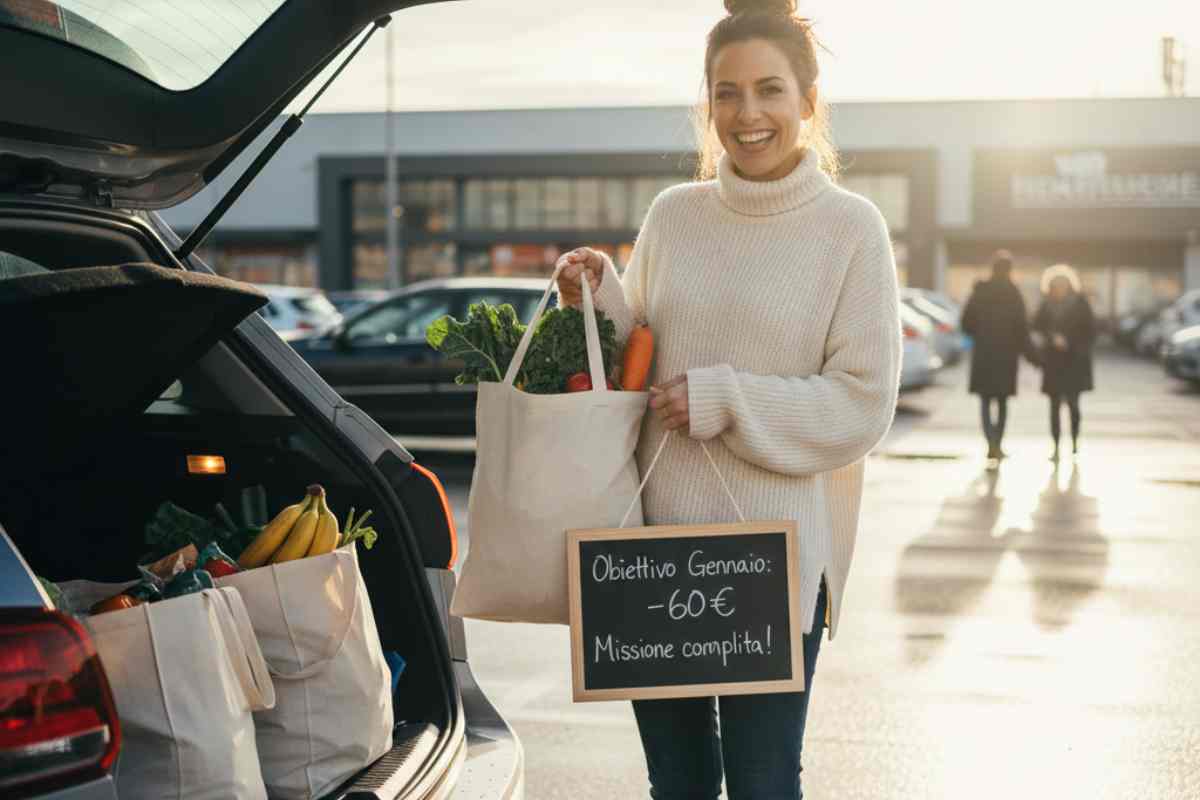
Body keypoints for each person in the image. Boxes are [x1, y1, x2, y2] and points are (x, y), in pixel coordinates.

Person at [556, 2, 901, 796]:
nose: (748, 115)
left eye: (769, 91)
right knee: (675, 785)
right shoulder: (675, 215)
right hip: (650, 562)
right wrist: (595, 292)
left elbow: (862, 404)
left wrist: (726, 399)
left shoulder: (851, 229)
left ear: (808, 102)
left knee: (762, 782)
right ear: (706, 103)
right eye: (726, 93)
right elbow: (632, 353)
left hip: (771, 568)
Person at [960, 250, 1033, 463]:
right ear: (1010, 270)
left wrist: (981, 335)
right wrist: (1030, 354)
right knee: (1001, 401)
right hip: (1006, 355)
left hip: (984, 353)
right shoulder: (1014, 293)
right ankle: (997, 444)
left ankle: (990, 442)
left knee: (985, 400)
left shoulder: (979, 291)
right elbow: (1023, 328)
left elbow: (966, 322)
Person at [1032, 264, 1096, 461]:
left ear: (1069, 285)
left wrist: (1070, 341)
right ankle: (1056, 447)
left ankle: (1075, 443)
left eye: (1063, 284)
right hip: (1053, 362)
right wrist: (1052, 338)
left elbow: (1091, 331)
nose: (1059, 288)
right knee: (1054, 407)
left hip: (1074, 362)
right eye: (1055, 285)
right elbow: (1036, 326)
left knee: (1074, 405)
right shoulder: (1046, 304)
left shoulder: (1080, 303)